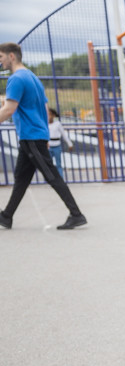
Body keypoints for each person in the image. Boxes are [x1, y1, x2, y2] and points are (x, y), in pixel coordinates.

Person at [0, 42, 87, 230]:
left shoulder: (15, 79)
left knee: (51, 175)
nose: (0, 61)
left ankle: (76, 214)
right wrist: (46, 136)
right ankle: (6, 216)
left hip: (31, 136)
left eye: (1, 57)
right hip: (34, 136)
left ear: (11, 56)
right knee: (21, 178)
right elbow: (45, 108)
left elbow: (8, 109)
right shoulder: (32, 77)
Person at [48, 107, 73, 179]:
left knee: (58, 163)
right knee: (48, 164)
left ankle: (60, 178)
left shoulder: (57, 124)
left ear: (53, 115)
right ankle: (50, 178)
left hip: (56, 146)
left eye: (50, 114)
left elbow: (63, 134)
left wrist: (69, 144)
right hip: (48, 146)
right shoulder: (45, 124)